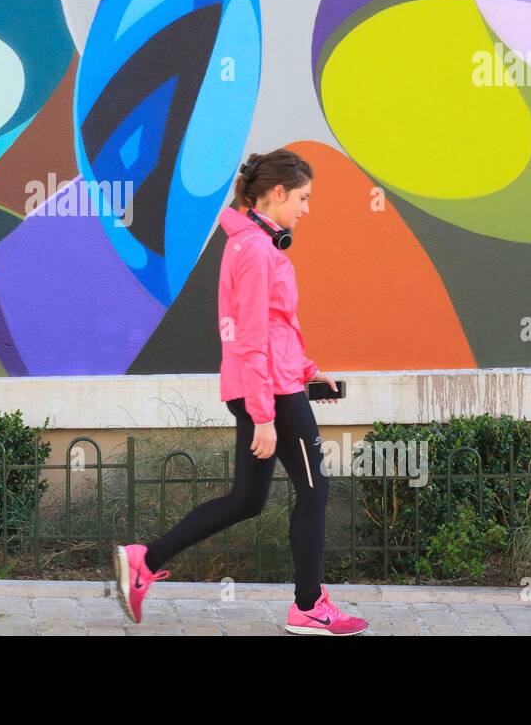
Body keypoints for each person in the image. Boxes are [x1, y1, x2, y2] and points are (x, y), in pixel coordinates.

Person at [112, 148, 368, 635]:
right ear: (275, 194)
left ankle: (144, 561)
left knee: (247, 500)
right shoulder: (253, 250)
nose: (306, 208)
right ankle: (309, 607)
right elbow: (250, 338)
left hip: (272, 384)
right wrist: (265, 414)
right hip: (268, 391)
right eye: (303, 198)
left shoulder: (255, 243)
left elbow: (274, 328)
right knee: (315, 490)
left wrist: (309, 370)